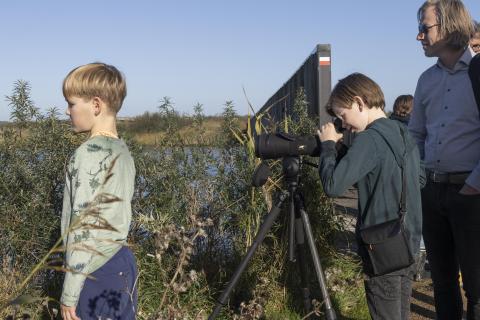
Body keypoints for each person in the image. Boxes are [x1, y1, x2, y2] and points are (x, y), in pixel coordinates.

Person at [318, 73, 424, 320]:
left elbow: (332, 185)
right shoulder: (402, 131)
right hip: (409, 243)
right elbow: (420, 179)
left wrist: (328, 146)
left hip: (383, 247)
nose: (343, 125)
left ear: (359, 102)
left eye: (342, 115)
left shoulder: (369, 139)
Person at [410, 1, 480, 319]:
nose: (419, 36)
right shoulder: (426, 80)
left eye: (425, 28)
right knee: (442, 283)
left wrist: (473, 186)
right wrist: (418, 180)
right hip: (432, 192)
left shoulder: (478, 73)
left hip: (471, 193)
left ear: (450, 26)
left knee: (477, 289)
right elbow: (415, 136)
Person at [60, 63, 137, 320]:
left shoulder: (87, 155)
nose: (67, 110)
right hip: (123, 262)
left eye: (71, 103)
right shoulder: (123, 151)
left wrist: (69, 294)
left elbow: (83, 228)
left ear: (95, 105)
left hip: (95, 271)